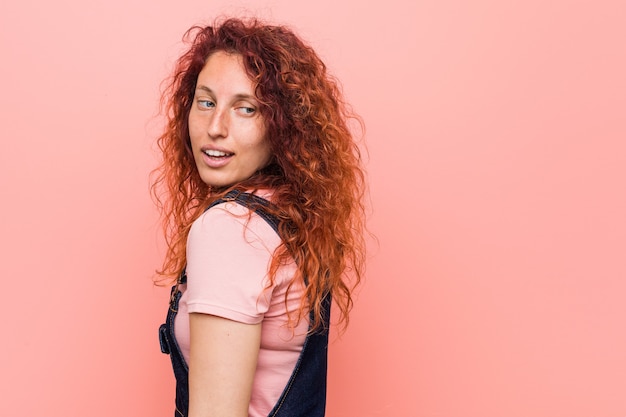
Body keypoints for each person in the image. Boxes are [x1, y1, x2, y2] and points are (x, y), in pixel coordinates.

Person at [152, 17, 366, 417]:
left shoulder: (230, 229)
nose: (215, 128)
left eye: (245, 108)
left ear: (282, 125)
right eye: (206, 101)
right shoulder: (290, 216)